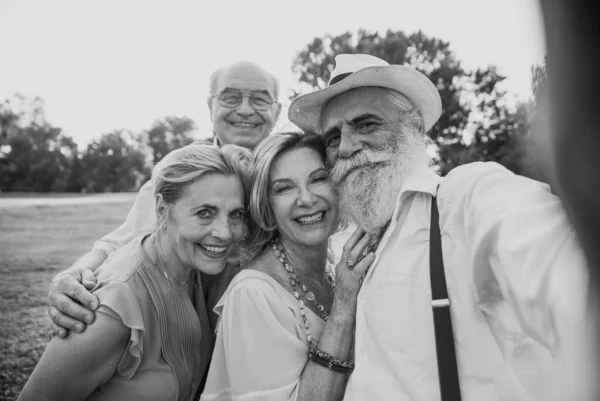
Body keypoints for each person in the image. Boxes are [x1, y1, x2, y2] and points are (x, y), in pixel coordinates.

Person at [288, 54, 590, 400]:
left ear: (413, 128)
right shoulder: (344, 246)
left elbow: (560, 271)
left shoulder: (464, 197)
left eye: (366, 124)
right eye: (332, 137)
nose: (345, 147)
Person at [46, 60, 283, 338]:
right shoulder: (183, 170)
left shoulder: (290, 169)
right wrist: (74, 274)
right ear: (210, 107)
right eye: (231, 97)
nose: (245, 109)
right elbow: (119, 243)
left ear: (277, 111)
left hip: (269, 327)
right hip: (191, 330)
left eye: (259, 99)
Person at [18, 142, 253, 401]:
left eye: (236, 214)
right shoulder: (111, 309)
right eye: (204, 213)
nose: (225, 232)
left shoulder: (191, 269)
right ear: (162, 209)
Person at [200, 132, 375, 401]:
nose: (306, 199)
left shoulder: (330, 267)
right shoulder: (253, 295)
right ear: (265, 206)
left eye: (318, 179)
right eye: (284, 188)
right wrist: (343, 304)